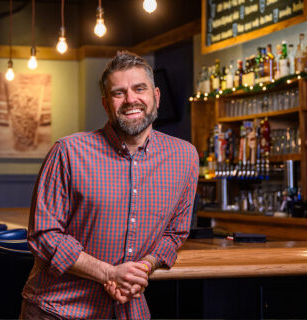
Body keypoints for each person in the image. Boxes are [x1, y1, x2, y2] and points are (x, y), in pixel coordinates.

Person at [21, 50, 199, 319]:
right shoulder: (68, 151)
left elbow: (175, 233)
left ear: (156, 97)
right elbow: (43, 235)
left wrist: (143, 268)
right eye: (119, 93)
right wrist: (109, 273)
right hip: (58, 310)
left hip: (130, 310)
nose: (131, 99)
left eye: (140, 88)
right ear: (106, 104)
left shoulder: (185, 157)